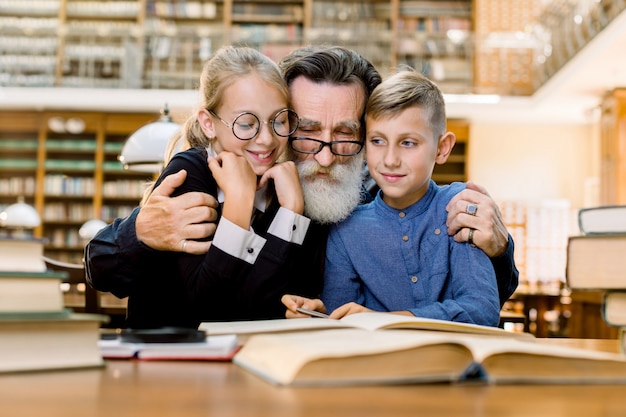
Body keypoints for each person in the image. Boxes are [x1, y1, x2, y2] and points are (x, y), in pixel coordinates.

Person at [86, 46, 517, 327]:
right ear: (284, 121)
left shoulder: (368, 197)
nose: (326, 157)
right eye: (307, 132)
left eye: (346, 135)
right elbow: (100, 267)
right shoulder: (211, 176)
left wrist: (498, 251)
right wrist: (138, 233)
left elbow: (457, 285)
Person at [87, 45, 321, 328]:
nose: (267, 139)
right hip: (165, 357)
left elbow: (254, 301)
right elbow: (207, 306)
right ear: (209, 124)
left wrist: (291, 213)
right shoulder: (190, 172)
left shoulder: (285, 187)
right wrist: (239, 204)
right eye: (247, 124)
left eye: (279, 121)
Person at [283, 70, 500, 326]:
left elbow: (481, 310)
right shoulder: (345, 230)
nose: (390, 160)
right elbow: (341, 323)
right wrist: (320, 314)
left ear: (442, 148)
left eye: (408, 143)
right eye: (377, 141)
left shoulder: (459, 206)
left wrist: (383, 320)